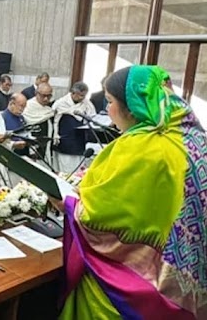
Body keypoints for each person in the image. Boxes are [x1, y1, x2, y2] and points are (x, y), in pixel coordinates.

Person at [55, 65, 207, 319]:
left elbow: (97, 218)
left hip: (136, 286)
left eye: (111, 101)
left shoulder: (140, 147)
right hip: (188, 281)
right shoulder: (193, 139)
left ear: (132, 107)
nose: (108, 111)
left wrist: (68, 202)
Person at [52, 82, 96, 173]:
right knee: (65, 172)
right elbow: (54, 119)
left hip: (80, 141)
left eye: (84, 95)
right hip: (64, 141)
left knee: (78, 171)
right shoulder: (61, 103)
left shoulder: (87, 104)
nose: (82, 98)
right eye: (80, 95)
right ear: (73, 93)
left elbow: (92, 117)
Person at [23, 82, 55, 166]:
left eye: (49, 96)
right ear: (36, 93)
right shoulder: (28, 107)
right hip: (32, 149)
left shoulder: (48, 109)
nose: (46, 99)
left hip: (46, 149)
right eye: (43, 95)